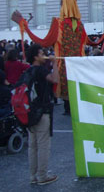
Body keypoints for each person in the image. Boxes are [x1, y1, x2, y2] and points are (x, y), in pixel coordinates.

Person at [26, 44, 59, 185]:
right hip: (42, 111)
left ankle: (33, 176)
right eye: (41, 53)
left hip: (29, 112)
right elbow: (55, 79)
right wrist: (54, 63)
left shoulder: (28, 70)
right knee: (43, 145)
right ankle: (42, 176)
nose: (43, 55)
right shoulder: (40, 70)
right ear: (35, 57)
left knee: (32, 146)